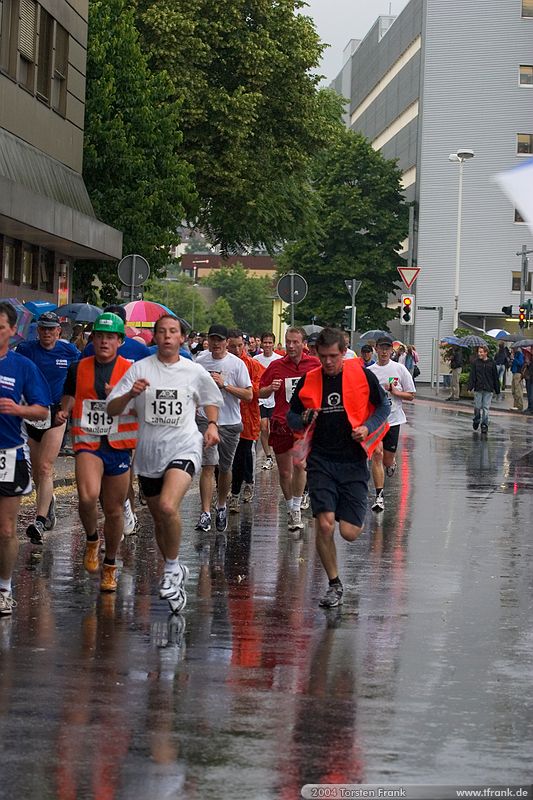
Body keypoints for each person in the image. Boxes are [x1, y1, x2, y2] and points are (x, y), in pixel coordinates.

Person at [106, 314, 223, 613]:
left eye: (173, 332)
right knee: (159, 518)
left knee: (170, 507)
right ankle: (174, 566)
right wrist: (130, 394)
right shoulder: (139, 369)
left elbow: (211, 397)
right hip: (149, 455)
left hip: (184, 447)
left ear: (182, 337)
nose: (168, 336)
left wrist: (211, 424)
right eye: (162, 332)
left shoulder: (193, 371)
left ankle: (171, 569)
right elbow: (112, 408)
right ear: (154, 337)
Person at [287, 328, 389, 608]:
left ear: (344, 352)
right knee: (324, 523)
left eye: (334, 356)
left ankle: (356, 509)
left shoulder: (362, 375)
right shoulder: (309, 380)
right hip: (321, 461)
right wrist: (304, 416)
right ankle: (334, 584)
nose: (328, 362)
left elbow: (384, 407)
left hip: (354, 461)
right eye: (323, 356)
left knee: (349, 533)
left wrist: (368, 428)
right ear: (316, 354)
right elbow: (292, 417)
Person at [56, 313, 138, 593]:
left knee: (114, 511)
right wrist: (64, 410)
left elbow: (143, 405)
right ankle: (92, 540)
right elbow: (69, 394)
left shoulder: (131, 370)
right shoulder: (78, 368)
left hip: (118, 445)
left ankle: (111, 564)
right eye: (99, 336)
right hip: (88, 441)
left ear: (120, 341)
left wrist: (123, 395)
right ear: (93, 339)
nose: (104, 341)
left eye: (110, 337)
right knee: (88, 497)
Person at [0, 302, 50, 616]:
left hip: (8, 454)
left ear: (11, 331)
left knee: (5, 530)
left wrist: (19, 410)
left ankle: (4, 588)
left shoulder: (22, 367)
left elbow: (42, 409)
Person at [17, 312, 80, 544]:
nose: (46, 333)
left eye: (50, 329)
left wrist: (68, 407)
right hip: (32, 412)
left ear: (58, 332)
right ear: (38, 330)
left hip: (56, 414)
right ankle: (48, 501)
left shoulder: (70, 352)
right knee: (36, 471)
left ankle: (40, 521)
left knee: (45, 467)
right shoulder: (26, 350)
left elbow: (76, 381)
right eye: (42, 328)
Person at [259, 327, 320, 531]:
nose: (291, 346)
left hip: (304, 424)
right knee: (285, 472)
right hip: (281, 423)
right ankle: (290, 507)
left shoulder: (313, 364)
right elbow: (259, 392)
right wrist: (270, 389)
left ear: (303, 344)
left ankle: (296, 509)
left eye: (295, 342)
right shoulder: (276, 366)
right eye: (288, 342)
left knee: (300, 465)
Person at [194, 324, 252, 533]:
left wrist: (224, 385)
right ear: (208, 340)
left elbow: (248, 395)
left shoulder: (237, 365)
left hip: (230, 422)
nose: (216, 344)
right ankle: (205, 513)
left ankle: (220, 506)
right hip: (205, 420)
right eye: (213, 339)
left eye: (220, 340)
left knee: (225, 469)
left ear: (227, 342)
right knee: (208, 466)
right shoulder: (199, 361)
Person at [368, 336, 415, 512]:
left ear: (391, 351)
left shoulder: (400, 369)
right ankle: (379, 496)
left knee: (387, 459)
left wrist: (396, 392)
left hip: (394, 420)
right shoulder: (370, 372)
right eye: (381, 348)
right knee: (377, 455)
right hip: (376, 421)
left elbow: (411, 394)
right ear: (376, 350)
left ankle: (392, 462)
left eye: (387, 348)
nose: (384, 351)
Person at [226, 329, 264, 511]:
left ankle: (238, 490)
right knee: (223, 457)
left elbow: (256, 389)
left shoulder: (252, 365)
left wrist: (236, 388)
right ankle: (226, 488)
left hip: (247, 416)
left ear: (245, 345)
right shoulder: (221, 362)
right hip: (225, 415)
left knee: (243, 454)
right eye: (232, 346)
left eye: (240, 345)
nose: (236, 349)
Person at [82, 305, 150, 364]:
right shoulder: (90, 348)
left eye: (118, 322)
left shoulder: (141, 350)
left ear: (125, 323)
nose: (104, 342)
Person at [253, 331, 282, 469]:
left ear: (274, 344)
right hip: (261, 398)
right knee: (263, 427)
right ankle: (268, 456)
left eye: (270, 342)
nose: (268, 345)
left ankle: (278, 454)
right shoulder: (256, 359)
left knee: (274, 429)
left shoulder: (278, 360)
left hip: (275, 399)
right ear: (261, 343)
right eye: (265, 342)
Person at [467, 344, 500, 433]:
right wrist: (470, 386)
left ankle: (484, 424)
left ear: (486, 353)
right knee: (477, 407)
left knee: (486, 408)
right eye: (478, 352)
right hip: (478, 388)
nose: (479, 354)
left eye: (481, 352)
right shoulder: (476, 363)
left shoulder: (492, 363)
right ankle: (476, 419)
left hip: (488, 389)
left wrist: (497, 389)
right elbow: (472, 375)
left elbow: (495, 377)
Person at [510, 345, 525, 412]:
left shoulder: (520, 354)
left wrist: (514, 359)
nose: (512, 350)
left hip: (518, 373)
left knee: (518, 390)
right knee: (513, 390)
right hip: (514, 372)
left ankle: (519, 406)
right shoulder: (515, 354)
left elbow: (520, 363)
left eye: (513, 348)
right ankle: (515, 405)